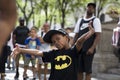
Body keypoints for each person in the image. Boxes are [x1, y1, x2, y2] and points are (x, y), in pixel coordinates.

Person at [12, 23, 95, 80]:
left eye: (58, 39)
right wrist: (21, 49)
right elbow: (38, 52)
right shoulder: (53, 53)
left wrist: (90, 33)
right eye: (54, 42)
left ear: (66, 37)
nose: (56, 43)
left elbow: (79, 42)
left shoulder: (73, 51)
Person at [74, 3, 101, 80]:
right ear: (86, 8)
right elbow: (76, 35)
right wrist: (71, 46)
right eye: (89, 7)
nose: (90, 8)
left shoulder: (95, 20)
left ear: (94, 10)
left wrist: (92, 48)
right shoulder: (80, 20)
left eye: (92, 8)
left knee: (88, 71)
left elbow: (98, 36)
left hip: (88, 50)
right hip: (79, 49)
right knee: (79, 70)